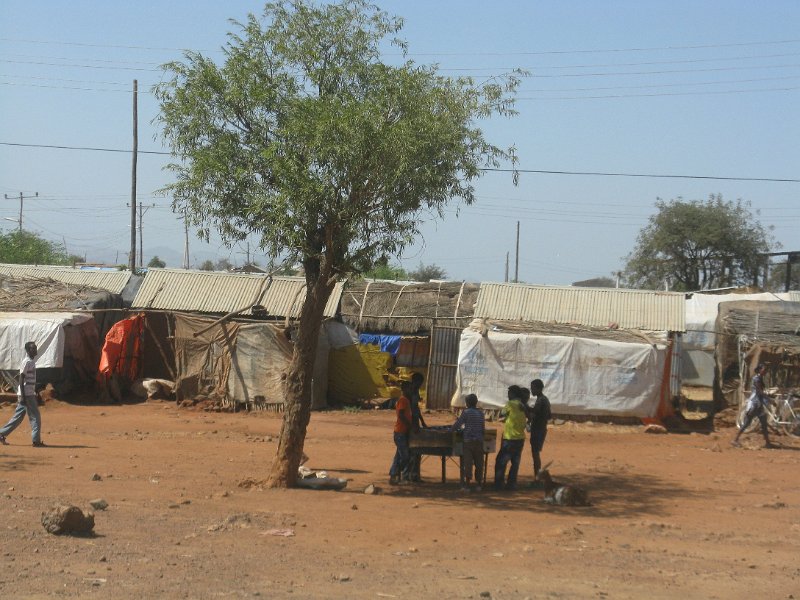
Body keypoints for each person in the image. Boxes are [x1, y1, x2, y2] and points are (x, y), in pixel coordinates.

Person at [0, 341, 45, 447]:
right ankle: (36, 441)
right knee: (35, 417)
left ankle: (1, 433)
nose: (35, 350)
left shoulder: (31, 362)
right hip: (27, 394)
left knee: (18, 417)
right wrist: (24, 396)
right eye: (33, 348)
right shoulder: (27, 362)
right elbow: (21, 378)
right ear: (28, 350)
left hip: (28, 393)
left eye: (35, 348)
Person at [732, 363, 774, 448]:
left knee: (764, 424)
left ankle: (768, 443)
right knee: (747, 423)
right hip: (754, 404)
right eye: (764, 369)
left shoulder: (760, 378)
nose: (765, 371)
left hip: (758, 404)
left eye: (765, 370)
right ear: (759, 370)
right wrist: (769, 399)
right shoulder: (756, 379)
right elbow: (759, 392)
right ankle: (735, 440)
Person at [494, 385, 527, 491]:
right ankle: (511, 484)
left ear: (513, 394)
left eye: (509, 393)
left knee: (501, 461)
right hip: (520, 438)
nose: (508, 395)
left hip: (509, 438)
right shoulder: (523, 405)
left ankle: (499, 484)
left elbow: (502, 414)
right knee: (515, 462)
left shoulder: (510, 404)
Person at [451, 393, 485, 492]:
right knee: (479, 463)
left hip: (468, 441)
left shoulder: (466, 412)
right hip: (479, 441)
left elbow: (458, 424)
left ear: (467, 403)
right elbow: (483, 428)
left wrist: (451, 429)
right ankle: (479, 485)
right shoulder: (481, 413)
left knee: (468, 463)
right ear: (476, 403)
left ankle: (467, 485)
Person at [402, 372, 427, 481]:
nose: (420, 385)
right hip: (411, 423)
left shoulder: (415, 391)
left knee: (416, 449)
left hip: (415, 421)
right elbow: (411, 410)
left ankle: (415, 475)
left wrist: (422, 421)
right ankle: (408, 475)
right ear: (415, 381)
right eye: (420, 383)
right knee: (412, 449)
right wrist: (413, 424)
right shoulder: (410, 392)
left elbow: (416, 408)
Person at [389, 380, 413, 484]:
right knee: (405, 456)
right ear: (405, 389)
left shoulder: (406, 400)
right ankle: (397, 473)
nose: (411, 390)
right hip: (400, 433)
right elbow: (401, 415)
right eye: (409, 388)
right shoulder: (403, 400)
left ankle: (393, 476)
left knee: (399, 456)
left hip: (402, 432)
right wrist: (409, 425)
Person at [526, 378, 552, 477]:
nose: (532, 390)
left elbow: (534, 411)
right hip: (541, 428)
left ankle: (537, 477)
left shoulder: (541, 400)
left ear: (538, 389)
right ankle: (537, 476)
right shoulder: (544, 399)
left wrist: (525, 406)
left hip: (538, 429)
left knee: (535, 454)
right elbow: (549, 415)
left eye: (533, 388)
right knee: (536, 453)